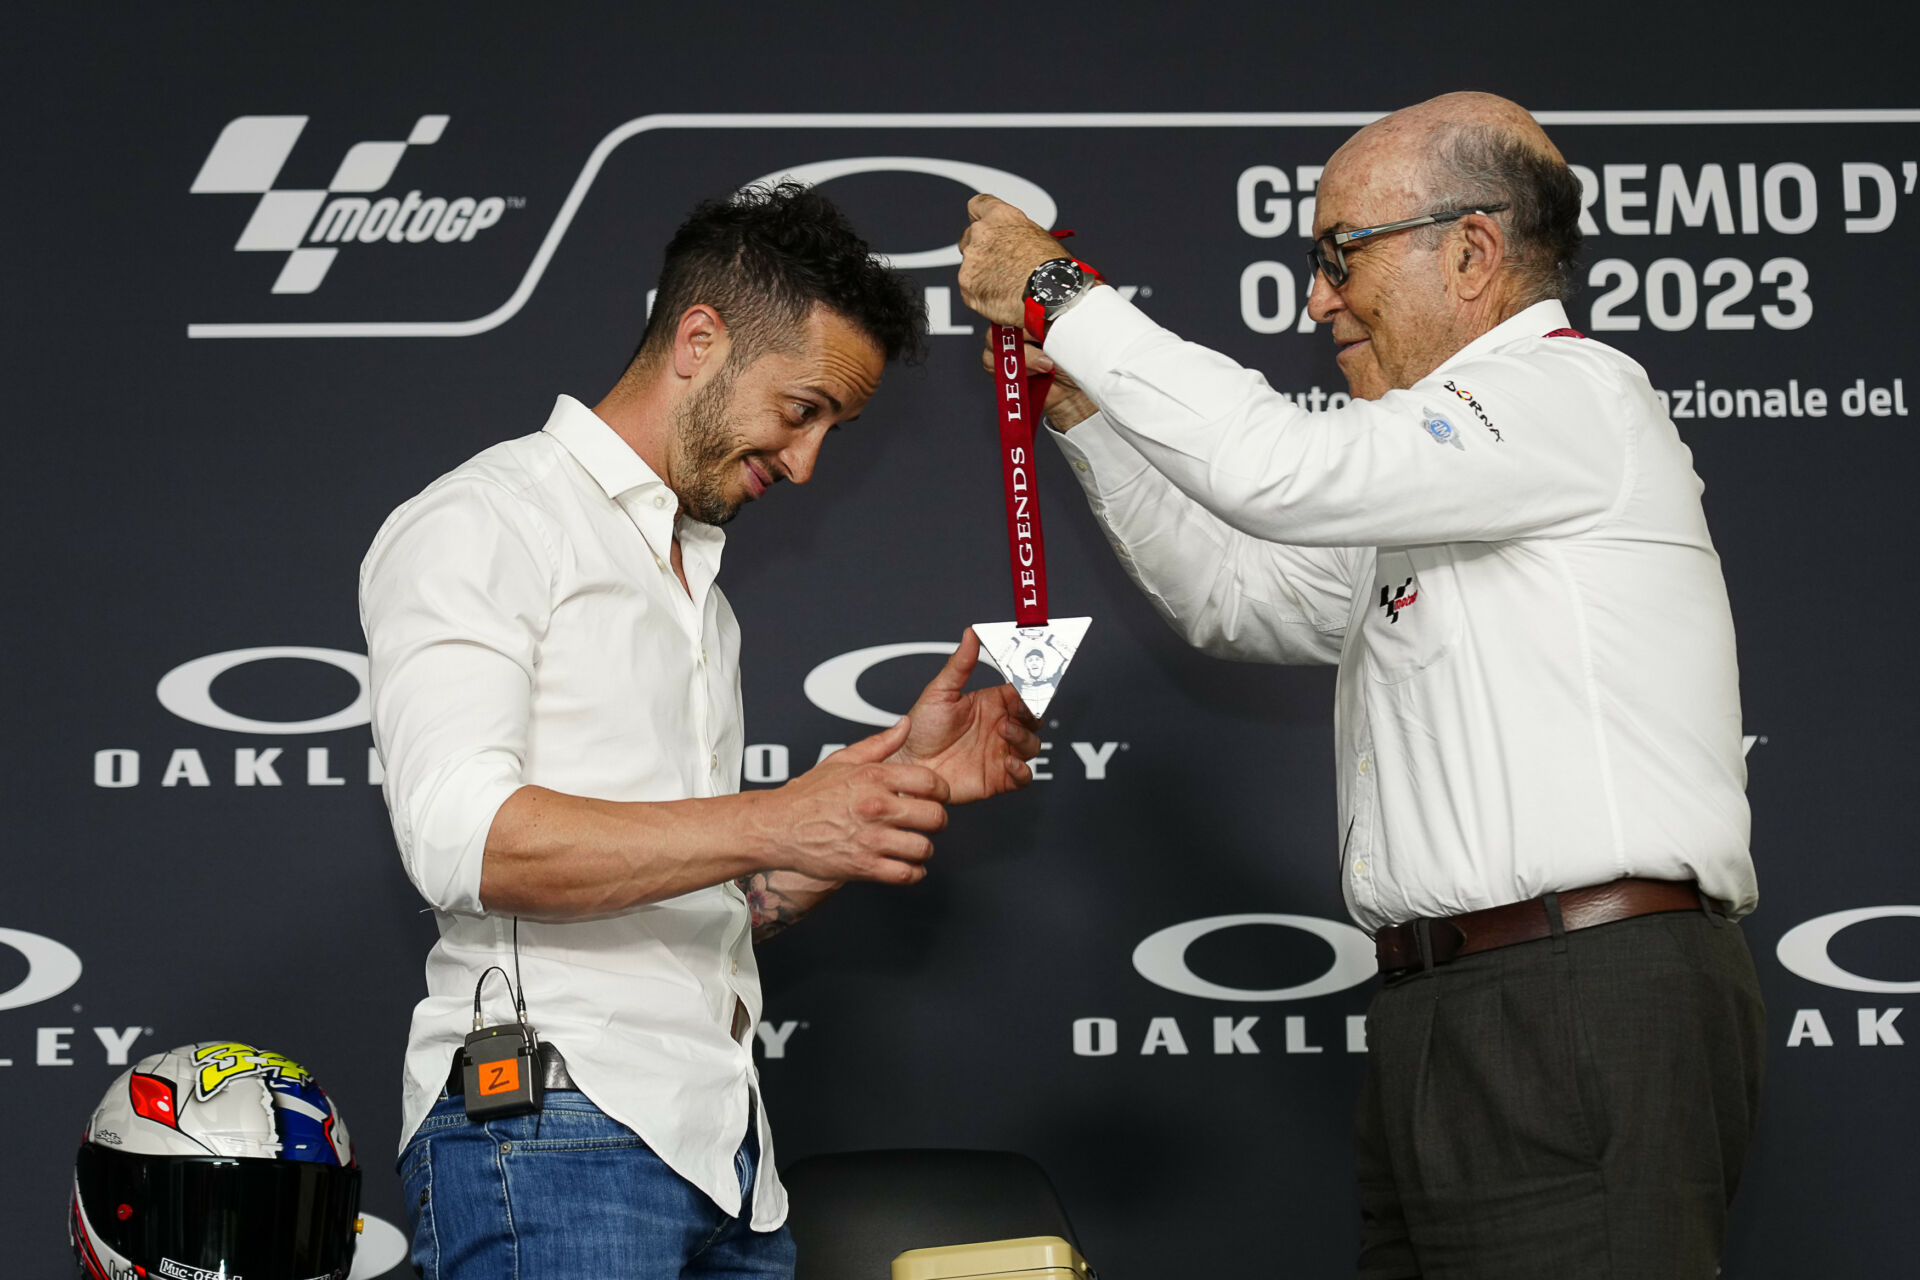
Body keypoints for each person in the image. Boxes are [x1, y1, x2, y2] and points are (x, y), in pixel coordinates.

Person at [957, 92, 1764, 1279]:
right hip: (1444, 1008)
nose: (1317, 296)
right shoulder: (1448, 476)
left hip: (1578, 996)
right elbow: (1238, 591)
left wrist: (1063, 297)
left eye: (1340, 254)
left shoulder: (1568, 397)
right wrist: (1082, 408)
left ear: (1474, 252)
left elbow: (1271, 468)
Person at [361, 182, 1041, 1279]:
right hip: (551, 1133)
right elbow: (463, 838)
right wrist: (780, 814)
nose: (810, 461)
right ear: (699, 338)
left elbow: (685, 897)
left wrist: (859, 807)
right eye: (803, 408)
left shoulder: (699, 592)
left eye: (836, 428)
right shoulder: (485, 520)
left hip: (727, 1157)